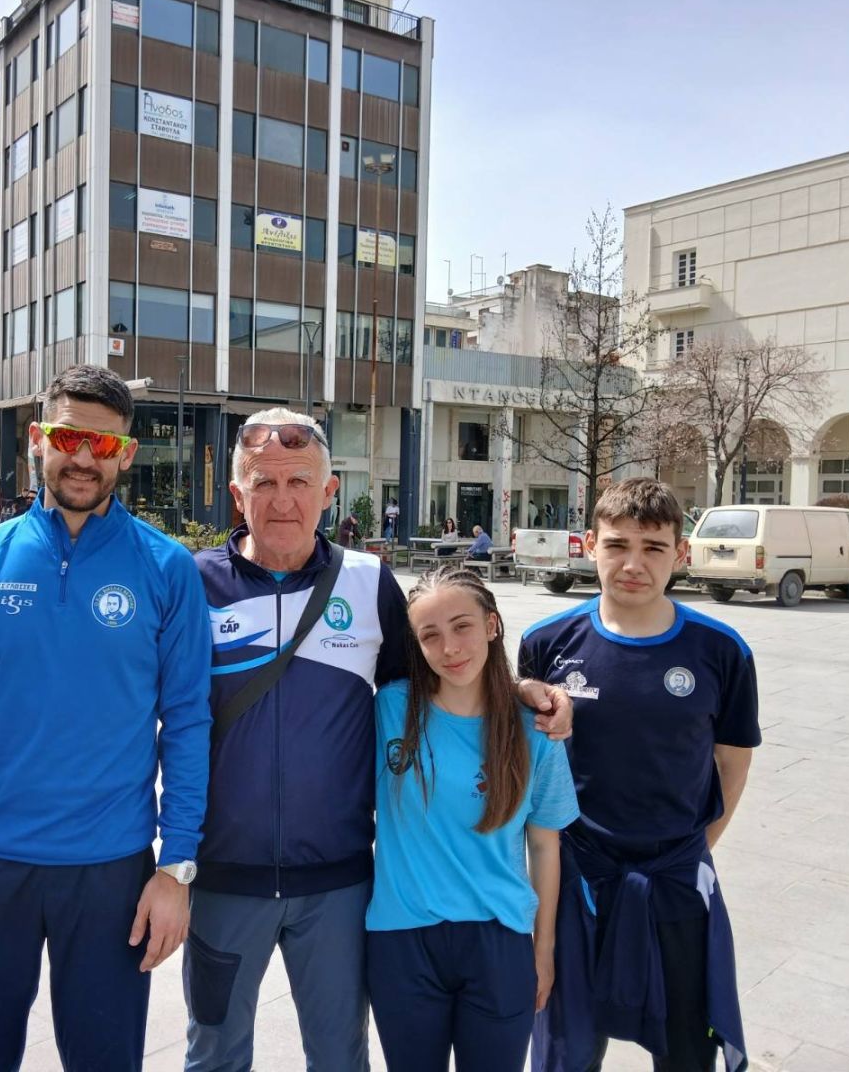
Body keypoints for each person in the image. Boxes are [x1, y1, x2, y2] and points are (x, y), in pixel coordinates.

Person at [185, 407, 574, 1071]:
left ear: (329, 491)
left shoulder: (367, 582)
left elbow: (439, 677)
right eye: (264, 482)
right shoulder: (193, 583)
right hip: (225, 881)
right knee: (214, 1056)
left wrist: (521, 690)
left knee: (341, 1059)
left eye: (300, 482)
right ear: (236, 495)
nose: (282, 500)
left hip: (337, 887)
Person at [0, 364, 212, 1070]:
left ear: (126, 455)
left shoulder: (167, 569)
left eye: (104, 445)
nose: (84, 458)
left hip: (111, 867)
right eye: (69, 437)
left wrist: (176, 868)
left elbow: (188, 724)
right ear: (37, 439)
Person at [520, 478, 760, 1072]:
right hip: (577, 879)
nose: (633, 564)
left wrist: (694, 849)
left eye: (653, 548)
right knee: (566, 1052)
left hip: (673, 880)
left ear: (681, 552)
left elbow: (732, 762)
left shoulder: (722, 650)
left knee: (686, 1051)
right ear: (590, 546)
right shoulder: (547, 643)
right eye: (617, 545)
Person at [368, 566, 578, 1071]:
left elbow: (545, 846)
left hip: (499, 941)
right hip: (402, 940)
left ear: (491, 624)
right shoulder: (389, 710)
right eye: (430, 635)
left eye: (462, 626)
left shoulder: (536, 730)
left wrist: (543, 949)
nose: (449, 648)